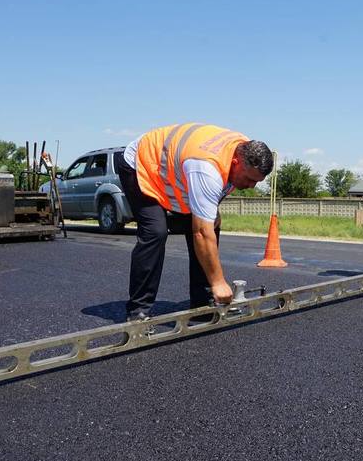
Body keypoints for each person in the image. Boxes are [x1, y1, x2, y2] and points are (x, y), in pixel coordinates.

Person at [115, 123, 274, 321]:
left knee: (212, 223)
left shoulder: (243, 148)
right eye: (250, 179)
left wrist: (211, 212)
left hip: (177, 174)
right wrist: (218, 282)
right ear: (236, 162)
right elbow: (201, 233)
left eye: (257, 182)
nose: (251, 186)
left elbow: (209, 218)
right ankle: (138, 310)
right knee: (156, 231)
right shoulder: (206, 168)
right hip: (142, 164)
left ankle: (202, 301)